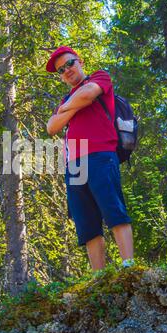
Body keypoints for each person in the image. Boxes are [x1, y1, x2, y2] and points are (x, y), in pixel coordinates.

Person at [46, 46, 134, 271]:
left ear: (80, 62)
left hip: (101, 154)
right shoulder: (68, 98)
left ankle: (128, 266)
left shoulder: (99, 77)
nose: (66, 71)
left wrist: (67, 108)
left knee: (113, 210)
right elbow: (51, 127)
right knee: (87, 224)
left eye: (69, 64)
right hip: (74, 164)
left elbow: (87, 94)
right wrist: (74, 105)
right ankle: (99, 277)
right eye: (60, 70)